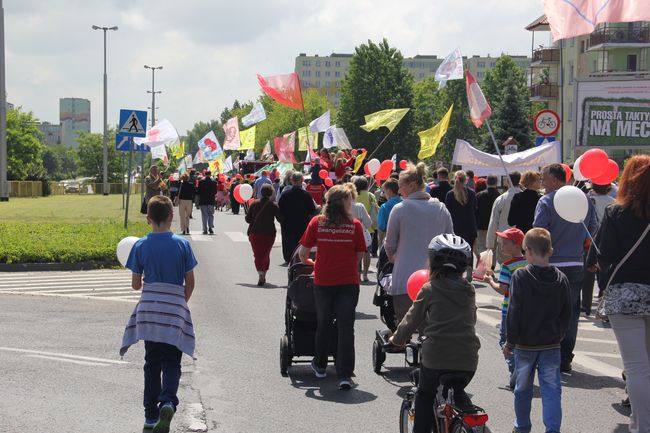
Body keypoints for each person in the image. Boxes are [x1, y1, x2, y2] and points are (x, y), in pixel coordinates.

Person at [120, 195, 198, 433]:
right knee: (172, 361)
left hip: (149, 311)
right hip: (173, 310)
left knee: (151, 363)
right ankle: (168, 402)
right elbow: (190, 282)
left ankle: (150, 417)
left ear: (148, 219)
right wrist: (178, 303)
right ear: (171, 217)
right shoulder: (182, 245)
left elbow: (135, 285)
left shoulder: (140, 245)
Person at [389, 234, 480, 433]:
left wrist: (396, 340)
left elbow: (411, 320)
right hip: (468, 358)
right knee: (456, 387)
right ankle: (459, 401)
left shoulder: (429, 288)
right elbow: (470, 321)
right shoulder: (469, 290)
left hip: (436, 357)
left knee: (425, 393)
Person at [592, 155, 650, 433]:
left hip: (625, 297)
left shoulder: (616, 213)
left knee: (637, 367)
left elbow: (607, 256)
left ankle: (643, 425)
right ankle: (639, 421)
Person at [297, 184, 367, 390]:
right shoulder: (355, 226)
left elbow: (303, 254)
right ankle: (344, 373)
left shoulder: (316, 223)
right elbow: (360, 255)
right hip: (348, 282)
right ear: (344, 203)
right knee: (346, 326)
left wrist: (315, 264)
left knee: (324, 323)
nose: (352, 203)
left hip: (324, 281)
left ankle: (319, 365)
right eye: (350, 200)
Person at [504, 228, 571, 433]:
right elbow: (567, 312)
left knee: (522, 389)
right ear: (550, 250)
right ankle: (552, 429)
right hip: (551, 343)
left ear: (529, 251)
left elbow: (514, 312)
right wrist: (559, 334)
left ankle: (522, 426)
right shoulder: (561, 278)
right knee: (551, 390)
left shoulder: (521, 276)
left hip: (525, 344)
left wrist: (510, 341)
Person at [533, 163, 597, 372]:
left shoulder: (546, 201)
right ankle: (565, 357)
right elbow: (593, 228)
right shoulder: (585, 200)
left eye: (544, 179)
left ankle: (549, 355)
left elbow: (539, 232)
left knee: (548, 311)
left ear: (554, 179)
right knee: (571, 313)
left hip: (550, 264)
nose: (542, 183)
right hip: (576, 263)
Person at [384, 163, 454, 324]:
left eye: (401, 186)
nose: (399, 191)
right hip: (435, 279)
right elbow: (451, 241)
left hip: (405, 279)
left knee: (405, 327)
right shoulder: (441, 208)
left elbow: (389, 244)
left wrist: (394, 258)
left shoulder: (400, 209)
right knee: (431, 329)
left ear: (412, 185)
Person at [484, 228, 527, 388]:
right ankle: (522, 369)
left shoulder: (507, 266)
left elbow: (503, 289)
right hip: (525, 309)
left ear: (517, 245)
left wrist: (490, 280)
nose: (501, 245)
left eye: (505, 243)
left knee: (505, 340)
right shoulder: (527, 262)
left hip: (509, 309)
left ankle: (516, 372)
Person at [582, 182, 616, 313]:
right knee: (605, 272)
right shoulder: (613, 201)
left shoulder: (588, 200)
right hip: (608, 239)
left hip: (591, 238)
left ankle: (586, 304)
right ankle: (603, 299)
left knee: (588, 274)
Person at [245, 184, 283, 286]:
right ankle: (263, 274)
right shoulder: (274, 205)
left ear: (261, 192)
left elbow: (248, 220)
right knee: (266, 254)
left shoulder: (254, 204)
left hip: (255, 233)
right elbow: (281, 219)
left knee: (257, 255)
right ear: (271, 193)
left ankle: (260, 274)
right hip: (269, 233)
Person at [278, 173, 317, 264]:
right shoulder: (306, 194)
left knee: (288, 242)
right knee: (300, 242)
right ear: (301, 180)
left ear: (291, 180)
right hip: (302, 223)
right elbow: (312, 209)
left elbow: (280, 208)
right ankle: (299, 258)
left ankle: (288, 258)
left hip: (287, 223)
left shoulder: (285, 194)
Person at [445, 171, 478, 275]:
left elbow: (448, 211)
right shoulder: (472, 193)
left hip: (456, 226)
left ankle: (457, 272)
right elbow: (475, 209)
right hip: (470, 225)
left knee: (455, 250)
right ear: (466, 180)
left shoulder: (450, 194)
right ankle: (469, 271)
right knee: (469, 250)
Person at [487, 171, 522, 265]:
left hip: (504, 241)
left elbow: (493, 222)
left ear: (507, 181)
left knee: (505, 267)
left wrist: (490, 243)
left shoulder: (500, 199)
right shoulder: (525, 197)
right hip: (521, 241)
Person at [354, 176, 378, 282]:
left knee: (357, 251)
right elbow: (376, 208)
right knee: (366, 251)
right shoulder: (370, 195)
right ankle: (365, 275)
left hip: (355, 227)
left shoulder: (353, 196)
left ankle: (358, 274)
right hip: (368, 227)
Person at [475, 174, 500, 260]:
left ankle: (482, 268)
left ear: (486, 182)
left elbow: (475, 211)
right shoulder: (499, 196)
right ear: (496, 183)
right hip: (495, 227)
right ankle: (491, 268)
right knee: (493, 249)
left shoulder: (479, 195)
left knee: (482, 248)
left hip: (481, 226)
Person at [377, 178, 402, 247]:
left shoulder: (384, 207)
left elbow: (381, 226)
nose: (383, 194)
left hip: (389, 240)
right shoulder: (405, 203)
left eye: (383, 192)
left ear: (389, 191)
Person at [196, 170, 218, 235]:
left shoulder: (201, 182)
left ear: (204, 174)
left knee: (204, 215)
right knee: (211, 215)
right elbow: (215, 192)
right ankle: (210, 228)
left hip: (203, 200)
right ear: (210, 174)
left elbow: (199, 192)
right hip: (211, 200)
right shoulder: (214, 182)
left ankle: (205, 229)